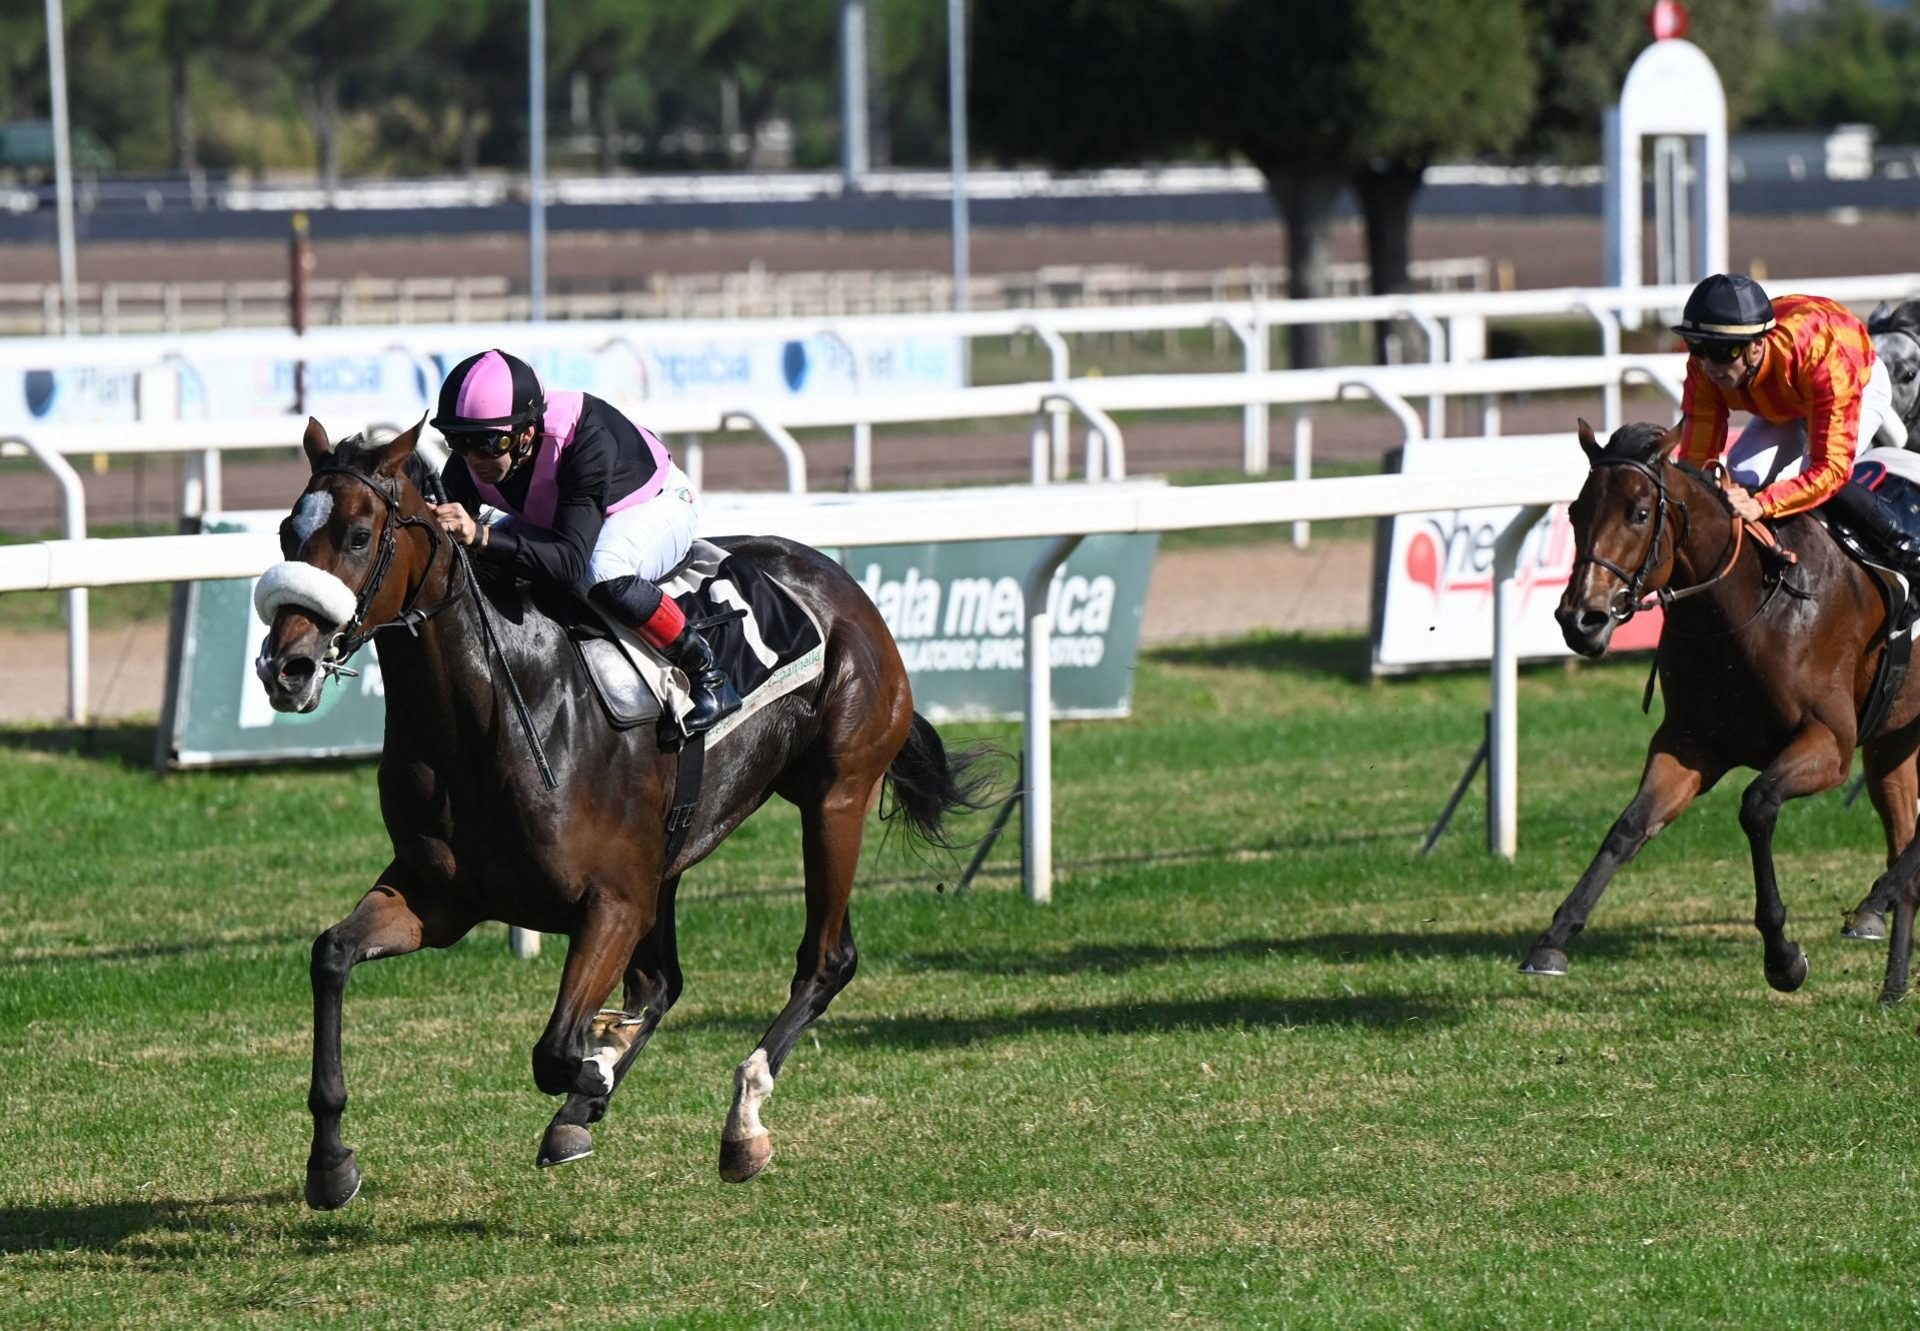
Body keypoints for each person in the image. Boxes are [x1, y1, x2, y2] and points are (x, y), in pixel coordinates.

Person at [426, 348, 742, 733]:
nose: (473, 459)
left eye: (489, 444)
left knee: (601, 570)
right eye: (458, 441)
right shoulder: (485, 443)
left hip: (654, 504)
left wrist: (480, 534)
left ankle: (708, 674)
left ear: (526, 433)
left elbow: (570, 562)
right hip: (564, 516)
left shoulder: (585, 439)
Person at [1671, 272, 1920, 567]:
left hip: (1855, 383)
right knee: (1744, 474)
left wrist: (1761, 504)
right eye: (1698, 347)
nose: (1710, 365)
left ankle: (1905, 551)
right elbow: (1695, 465)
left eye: (1725, 351)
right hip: (1790, 398)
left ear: (1757, 345)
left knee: (1805, 482)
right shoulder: (1705, 369)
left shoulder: (1819, 356)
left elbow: (1829, 470)